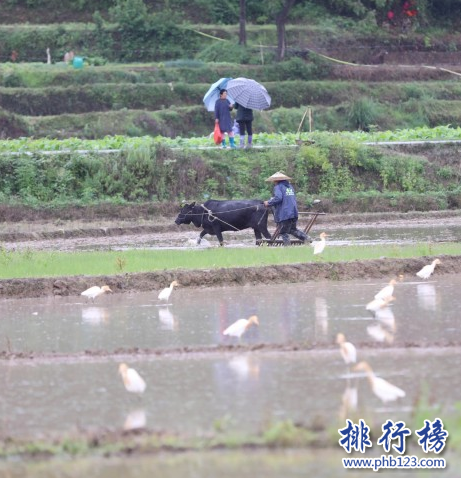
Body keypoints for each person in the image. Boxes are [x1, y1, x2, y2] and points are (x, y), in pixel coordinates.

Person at [263, 171, 312, 246]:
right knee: (292, 229)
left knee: (283, 231)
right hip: (294, 212)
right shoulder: (289, 186)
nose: (273, 182)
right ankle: (306, 238)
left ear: (276, 180)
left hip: (285, 213)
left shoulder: (278, 187)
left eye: (274, 181)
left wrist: (268, 203)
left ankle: (288, 248)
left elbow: (278, 198)